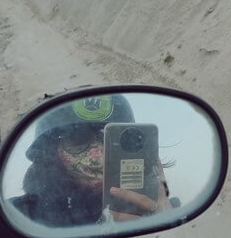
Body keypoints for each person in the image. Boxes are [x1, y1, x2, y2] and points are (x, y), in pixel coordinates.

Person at [12, 93, 173, 228]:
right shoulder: (25, 214)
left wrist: (164, 216)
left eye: (114, 140)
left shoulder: (161, 206)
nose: (99, 156)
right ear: (50, 153)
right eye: (77, 140)